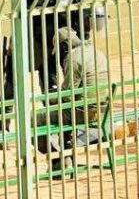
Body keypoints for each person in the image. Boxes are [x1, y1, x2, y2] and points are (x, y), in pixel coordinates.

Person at [34, 26, 110, 175]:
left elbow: (68, 95)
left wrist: (52, 97)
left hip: (82, 112)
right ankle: (66, 158)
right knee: (66, 113)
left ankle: (58, 160)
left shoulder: (73, 58)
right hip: (102, 110)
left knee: (35, 118)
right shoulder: (96, 52)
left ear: (64, 46)